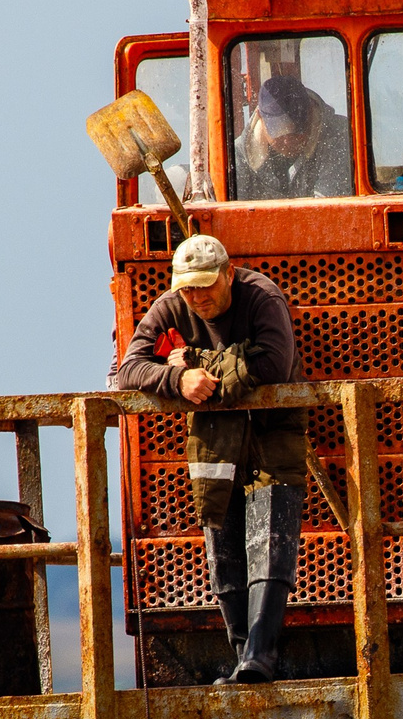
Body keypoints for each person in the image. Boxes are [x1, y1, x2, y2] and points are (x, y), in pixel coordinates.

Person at [113, 234, 306, 683]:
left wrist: (197, 360)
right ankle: (244, 660)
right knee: (224, 556)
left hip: (271, 435)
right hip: (215, 442)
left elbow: (274, 365)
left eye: (206, 286)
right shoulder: (171, 306)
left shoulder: (262, 298)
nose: (198, 298)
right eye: (188, 289)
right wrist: (178, 378)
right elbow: (129, 369)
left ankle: (261, 658)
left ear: (229, 274)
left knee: (270, 551)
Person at [233, 73, 352, 200]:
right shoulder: (238, 156)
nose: (288, 141)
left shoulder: (339, 135)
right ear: (260, 118)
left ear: (311, 113)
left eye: (297, 131)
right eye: (279, 131)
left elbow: (330, 210)